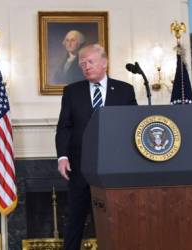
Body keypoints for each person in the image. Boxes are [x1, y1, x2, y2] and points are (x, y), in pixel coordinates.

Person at [55, 44, 137, 250]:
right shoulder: (72, 92)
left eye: (90, 61)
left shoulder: (125, 91)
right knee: (74, 221)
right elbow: (64, 127)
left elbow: (132, 126)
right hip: (80, 167)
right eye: (82, 63)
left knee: (114, 221)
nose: (86, 66)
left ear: (104, 63)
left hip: (114, 169)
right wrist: (62, 157)